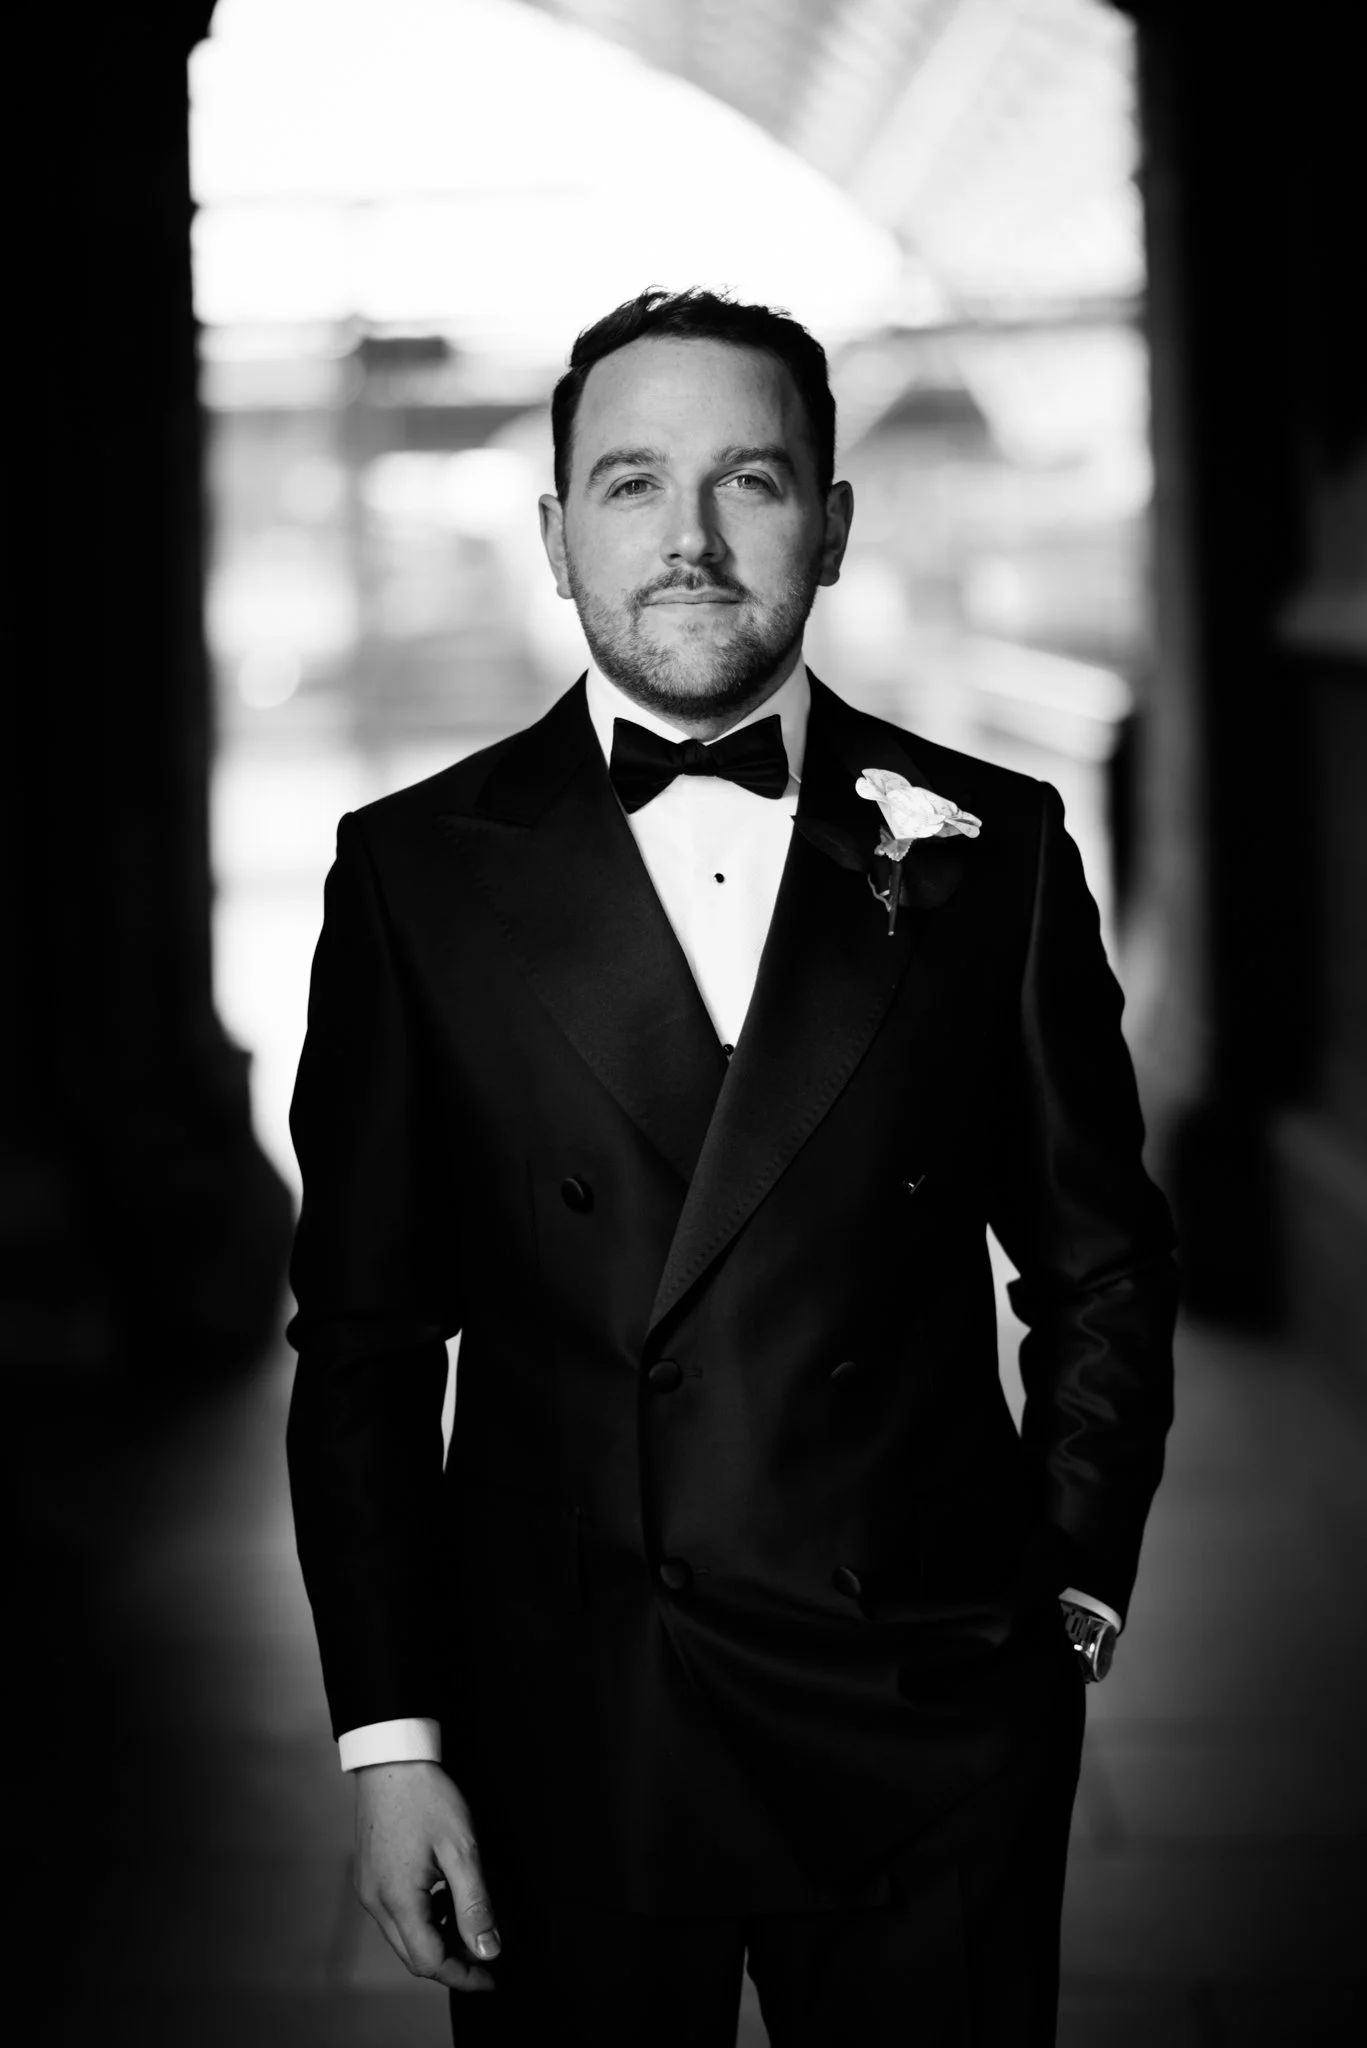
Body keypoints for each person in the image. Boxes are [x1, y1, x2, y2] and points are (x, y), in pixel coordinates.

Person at [285, 288, 1177, 2047]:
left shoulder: (992, 849)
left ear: (830, 525)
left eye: (748, 482)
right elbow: (365, 1350)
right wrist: (393, 1744)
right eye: (630, 483)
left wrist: (1065, 1592)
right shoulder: (411, 877)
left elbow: (1102, 1259)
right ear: (555, 537)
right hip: (564, 1725)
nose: (687, 540)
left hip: (923, 1722)